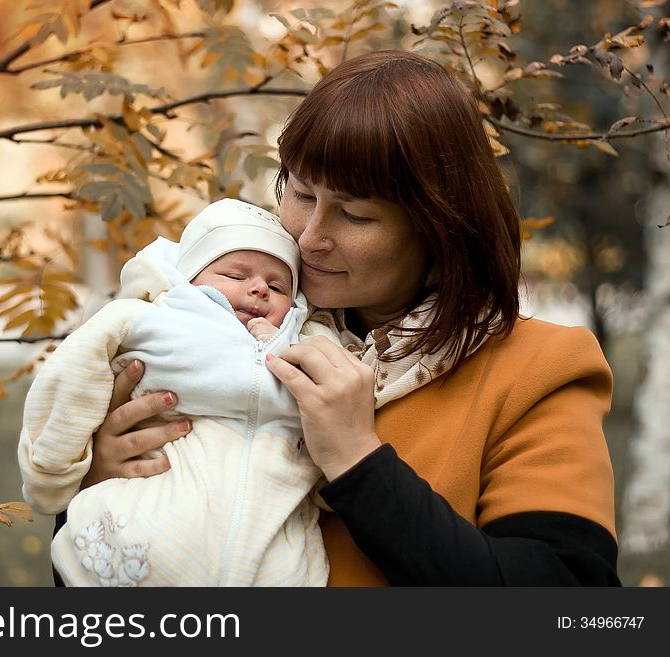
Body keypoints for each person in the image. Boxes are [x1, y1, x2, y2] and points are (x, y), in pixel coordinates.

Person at [80, 50, 621, 586]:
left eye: (356, 213)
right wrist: (103, 490)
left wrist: (357, 460)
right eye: (302, 193)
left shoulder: (538, 371)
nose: (309, 236)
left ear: (440, 229)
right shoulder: (216, 326)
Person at [18, 198, 340, 586]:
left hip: (272, 550)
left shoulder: (307, 343)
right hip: (144, 530)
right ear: (189, 276)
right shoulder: (150, 318)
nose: (258, 289)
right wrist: (54, 475)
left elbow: (339, 418)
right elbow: (71, 378)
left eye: (277, 285)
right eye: (236, 275)